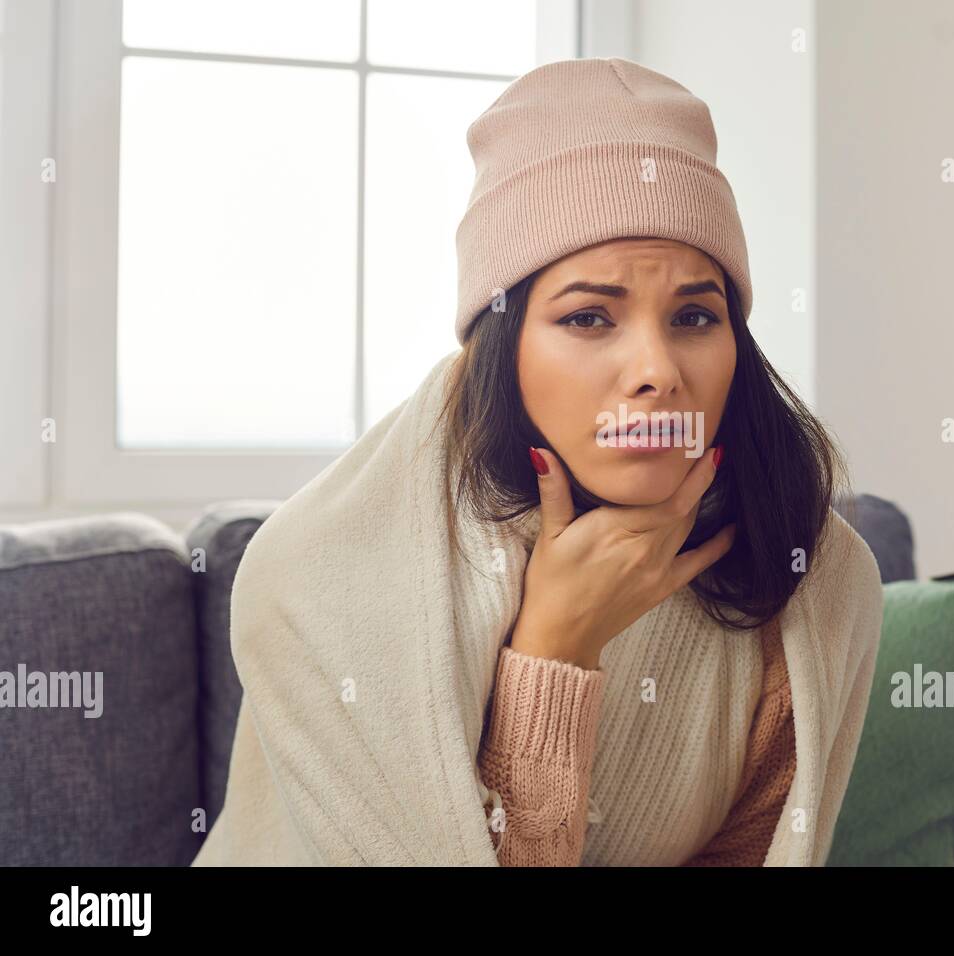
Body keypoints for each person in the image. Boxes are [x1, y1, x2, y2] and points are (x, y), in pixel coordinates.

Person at [192, 56, 882, 868]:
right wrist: (556, 649)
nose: (658, 369)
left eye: (696, 315)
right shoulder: (313, 578)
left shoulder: (813, 581)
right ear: (501, 343)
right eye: (590, 317)